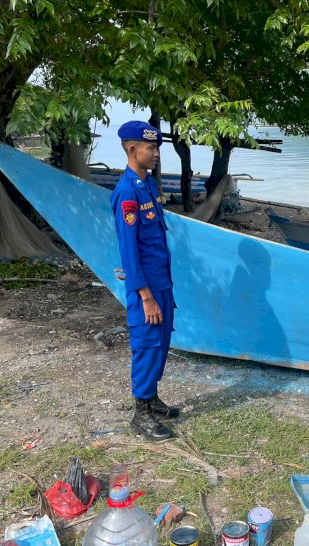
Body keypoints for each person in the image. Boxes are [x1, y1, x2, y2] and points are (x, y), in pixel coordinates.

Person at [111, 120, 179, 441]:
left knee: (162, 341)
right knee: (147, 344)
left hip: (161, 283)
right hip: (146, 290)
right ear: (132, 149)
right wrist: (146, 295)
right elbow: (129, 251)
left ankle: (151, 398)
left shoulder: (149, 185)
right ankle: (140, 413)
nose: (155, 154)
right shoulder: (126, 193)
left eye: (156, 148)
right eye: (151, 148)